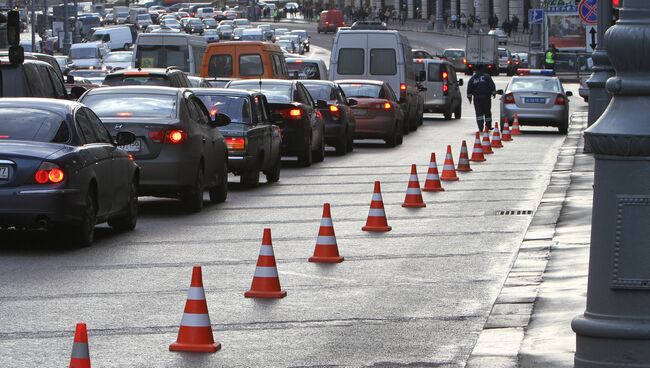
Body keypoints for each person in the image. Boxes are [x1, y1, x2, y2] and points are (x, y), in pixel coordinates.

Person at [467, 64, 497, 132]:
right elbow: (492, 86)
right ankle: (488, 126)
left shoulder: (472, 79)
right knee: (487, 112)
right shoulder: (487, 77)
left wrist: (470, 99)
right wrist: (494, 93)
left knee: (479, 113)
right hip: (486, 97)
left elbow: (469, 90)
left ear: (475, 69)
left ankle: (480, 127)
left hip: (477, 98)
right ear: (482, 69)